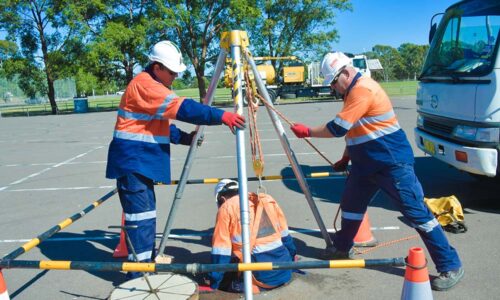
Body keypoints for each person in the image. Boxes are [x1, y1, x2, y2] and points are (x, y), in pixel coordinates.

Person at [289, 51, 463, 291]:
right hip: (364, 165)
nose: (332, 88)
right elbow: (355, 131)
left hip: (391, 163)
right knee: (351, 206)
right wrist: (345, 158)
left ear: (345, 73)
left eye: (332, 82)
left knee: (418, 214)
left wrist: (307, 131)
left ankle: (450, 264)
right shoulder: (351, 92)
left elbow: (339, 127)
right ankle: (342, 246)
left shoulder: (363, 90)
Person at [106, 41, 246, 279]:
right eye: (172, 72)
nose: (175, 76)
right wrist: (222, 116)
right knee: (140, 220)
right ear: (157, 66)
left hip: (139, 163)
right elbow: (185, 109)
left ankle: (145, 267)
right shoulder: (146, 85)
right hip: (133, 162)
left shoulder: (151, 84)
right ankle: (139, 279)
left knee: (146, 218)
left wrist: (185, 138)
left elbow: (158, 127)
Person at [202, 179, 297, 294]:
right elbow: (286, 238)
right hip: (284, 269)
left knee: (227, 283)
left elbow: (221, 253)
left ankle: (256, 287)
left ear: (222, 199)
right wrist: (291, 261)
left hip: (262, 277)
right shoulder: (267, 201)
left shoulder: (226, 208)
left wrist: (214, 282)